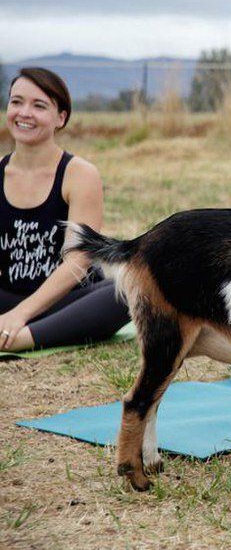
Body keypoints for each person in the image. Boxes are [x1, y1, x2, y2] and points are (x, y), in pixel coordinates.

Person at [0, 68, 129, 353]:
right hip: (10, 294)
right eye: (16, 102)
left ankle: (20, 338)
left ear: (61, 117)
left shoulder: (79, 174)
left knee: (128, 288)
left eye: (39, 105)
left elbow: (78, 262)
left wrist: (20, 315)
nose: (24, 113)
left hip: (71, 300)